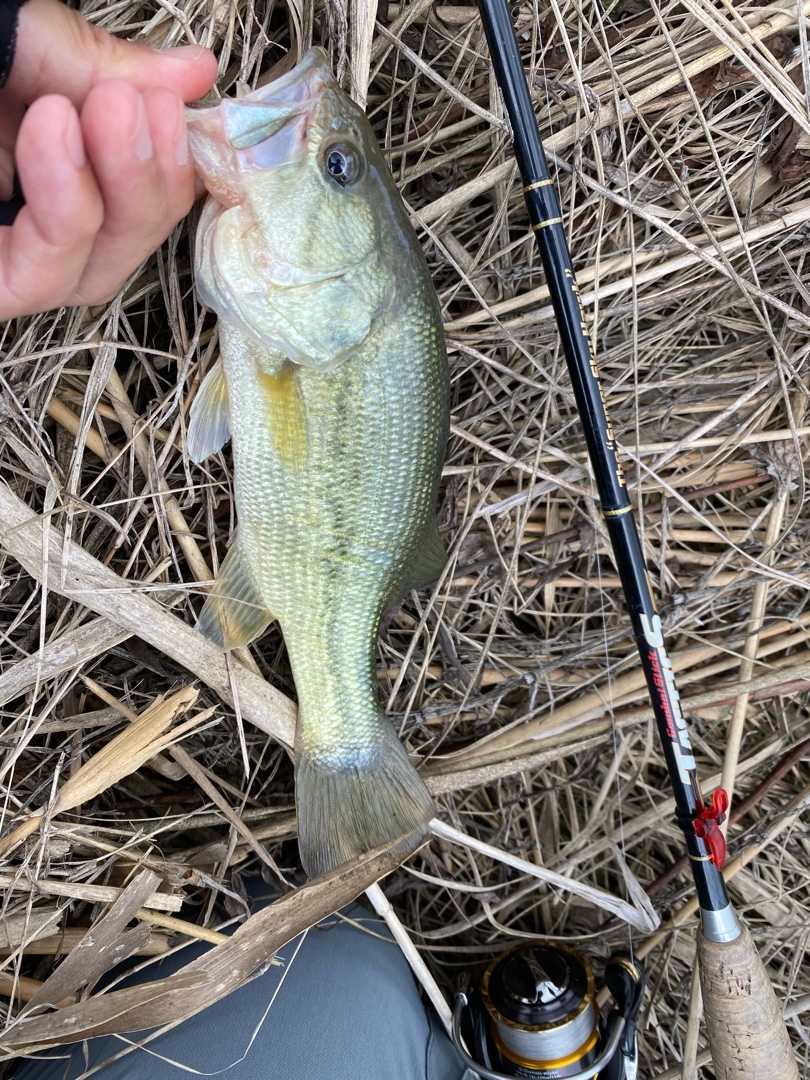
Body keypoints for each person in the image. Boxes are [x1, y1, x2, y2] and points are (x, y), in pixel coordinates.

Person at [1, 4, 471, 1076]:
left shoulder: (331, 331)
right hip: (304, 481)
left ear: (362, 281)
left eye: (337, 173)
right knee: (356, 986)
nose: (321, 150)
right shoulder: (324, 325)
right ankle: (342, 759)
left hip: (312, 549)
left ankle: (341, 741)